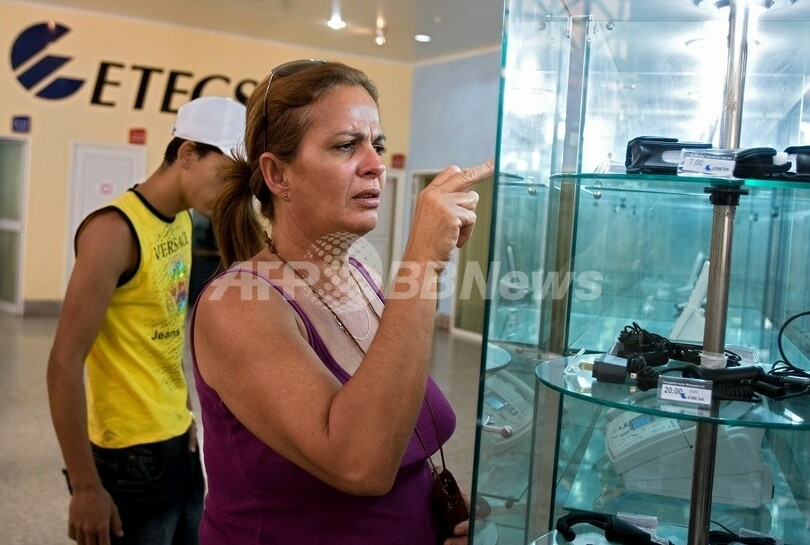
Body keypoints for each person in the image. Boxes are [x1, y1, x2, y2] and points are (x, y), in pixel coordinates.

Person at [190, 59, 493, 545]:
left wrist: (441, 510)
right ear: (277, 174)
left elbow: (397, 424)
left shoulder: (361, 277)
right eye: (346, 146)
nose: (376, 165)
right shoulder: (237, 304)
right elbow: (361, 464)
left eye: (378, 145)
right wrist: (420, 263)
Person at [47, 96, 246, 545]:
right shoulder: (114, 231)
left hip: (178, 439)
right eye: (225, 175)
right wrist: (85, 486)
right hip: (128, 457)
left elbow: (164, 331)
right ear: (188, 153)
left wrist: (185, 412)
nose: (229, 191)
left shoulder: (180, 221)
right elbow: (63, 363)